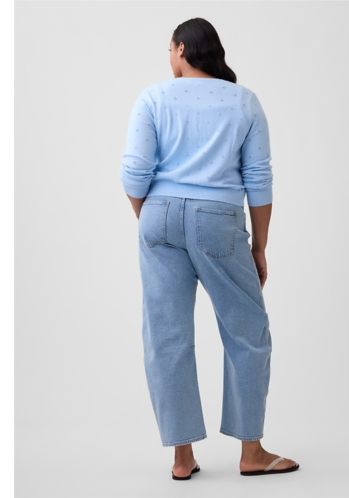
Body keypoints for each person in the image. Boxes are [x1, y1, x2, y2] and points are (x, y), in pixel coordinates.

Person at [120, 18, 299, 481]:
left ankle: (182, 459)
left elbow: (134, 172)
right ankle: (251, 452)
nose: (169, 58)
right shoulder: (244, 101)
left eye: (169, 49)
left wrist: (152, 218)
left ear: (181, 48)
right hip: (219, 222)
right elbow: (259, 179)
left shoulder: (153, 97)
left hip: (158, 215)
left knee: (166, 336)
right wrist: (260, 247)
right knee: (246, 332)